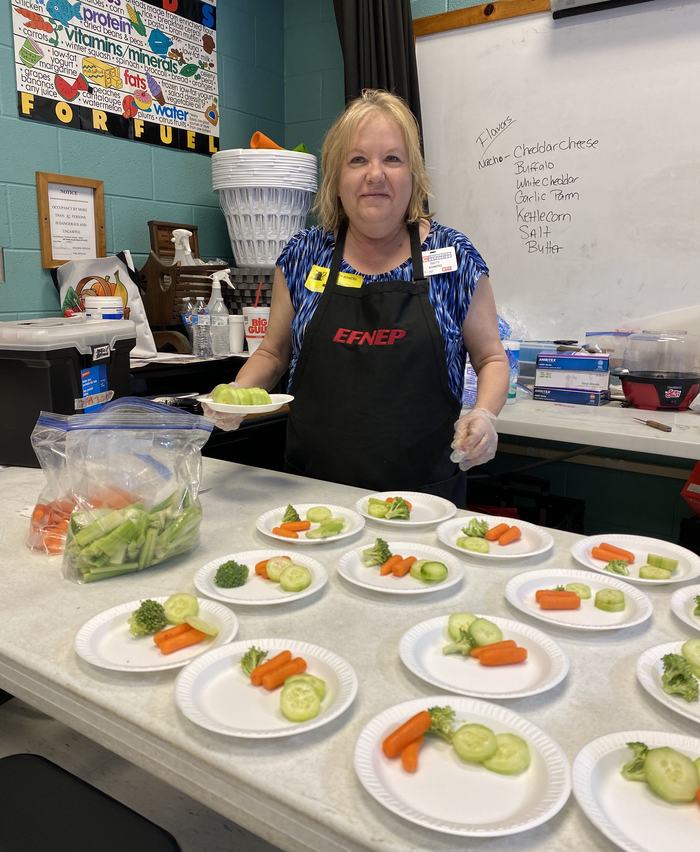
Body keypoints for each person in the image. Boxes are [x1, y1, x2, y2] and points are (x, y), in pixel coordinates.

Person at [204, 89, 509, 503]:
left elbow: (490, 358)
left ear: (414, 174)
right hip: (313, 496)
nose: (376, 174)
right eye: (358, 159)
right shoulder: (302, 254)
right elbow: (273, 354)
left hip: (423, 500)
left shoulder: (453, 257)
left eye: (393, 158)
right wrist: (237, 397)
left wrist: (485, 415)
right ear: (336, 177)